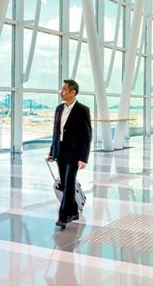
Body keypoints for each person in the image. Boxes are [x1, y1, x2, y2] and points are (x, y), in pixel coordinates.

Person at [46, 79, 92, 230]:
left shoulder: (82, 110)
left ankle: (63, 216)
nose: (62, 92)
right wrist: (52, 153)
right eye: (62, 89)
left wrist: (83, 158)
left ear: (73, 92)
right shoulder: (59, 109)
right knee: (65, 184)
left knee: (69, 183)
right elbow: (55, 132)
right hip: (60, 152)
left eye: (65, 89)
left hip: (74, 153)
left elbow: (87, 136)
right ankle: (73, 211)